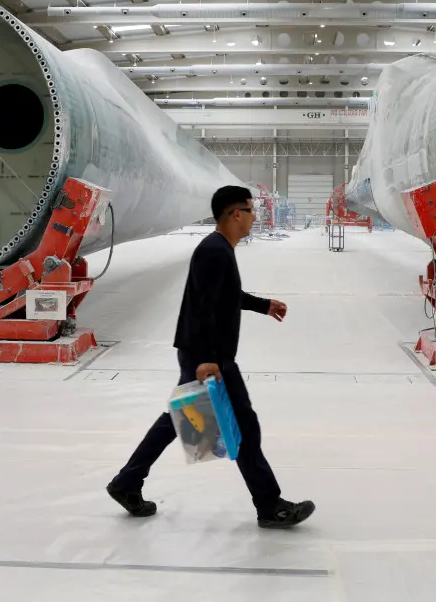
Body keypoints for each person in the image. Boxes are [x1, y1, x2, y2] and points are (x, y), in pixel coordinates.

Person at [106, 185, 316, 529]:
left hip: (201, 352)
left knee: (177, 421)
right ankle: (269, 504)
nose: (254, 217)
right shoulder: (215, 251)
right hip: (209, 355)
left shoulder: (218, 249)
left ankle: (127, 482)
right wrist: (206, 360)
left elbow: (225, 295)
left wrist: (263, 306)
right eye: (250, 211)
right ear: (236, 214)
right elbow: (203, 308)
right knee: (244, 426)